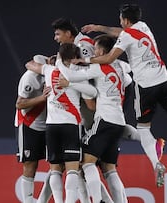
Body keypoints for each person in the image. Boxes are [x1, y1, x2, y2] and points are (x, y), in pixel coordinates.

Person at [77, 3, 167, 187]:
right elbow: (120, 33)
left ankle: (156, 164)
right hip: (164, 79)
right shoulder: (144, 26)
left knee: (144, 128)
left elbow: (108, 58)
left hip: (146, 86)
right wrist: (99, 28)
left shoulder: (126, 36)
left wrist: (85, 61)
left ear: (125, 19)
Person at [56, 36, 131, 203]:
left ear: (103, 52)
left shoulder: (99, 67)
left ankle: (96, 201)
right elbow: (130, 79)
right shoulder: (119, 66)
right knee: (109, 169)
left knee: (87, 163)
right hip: (119, 121)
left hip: (104, 120)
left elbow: (70, 75)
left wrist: (60, 61)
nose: (94, 52)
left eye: (96, 49)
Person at [26, 43, 98, 203]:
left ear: (59, 56)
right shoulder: (79, 74)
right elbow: (92, 100)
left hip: (51, 126)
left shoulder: (48, 70)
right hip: (71, 125)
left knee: (55, 169)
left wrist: (53, 62)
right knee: (72, 170)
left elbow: (29, 64)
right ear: (75, 57)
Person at [14, 55, 51, 203]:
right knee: (30, 164)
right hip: (30, 124)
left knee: (58, 164)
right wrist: (42, 98)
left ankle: (42, 201)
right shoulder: (30, 78)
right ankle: (28, 201)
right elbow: (20, 103)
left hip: (50, 124)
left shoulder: (54, 74)